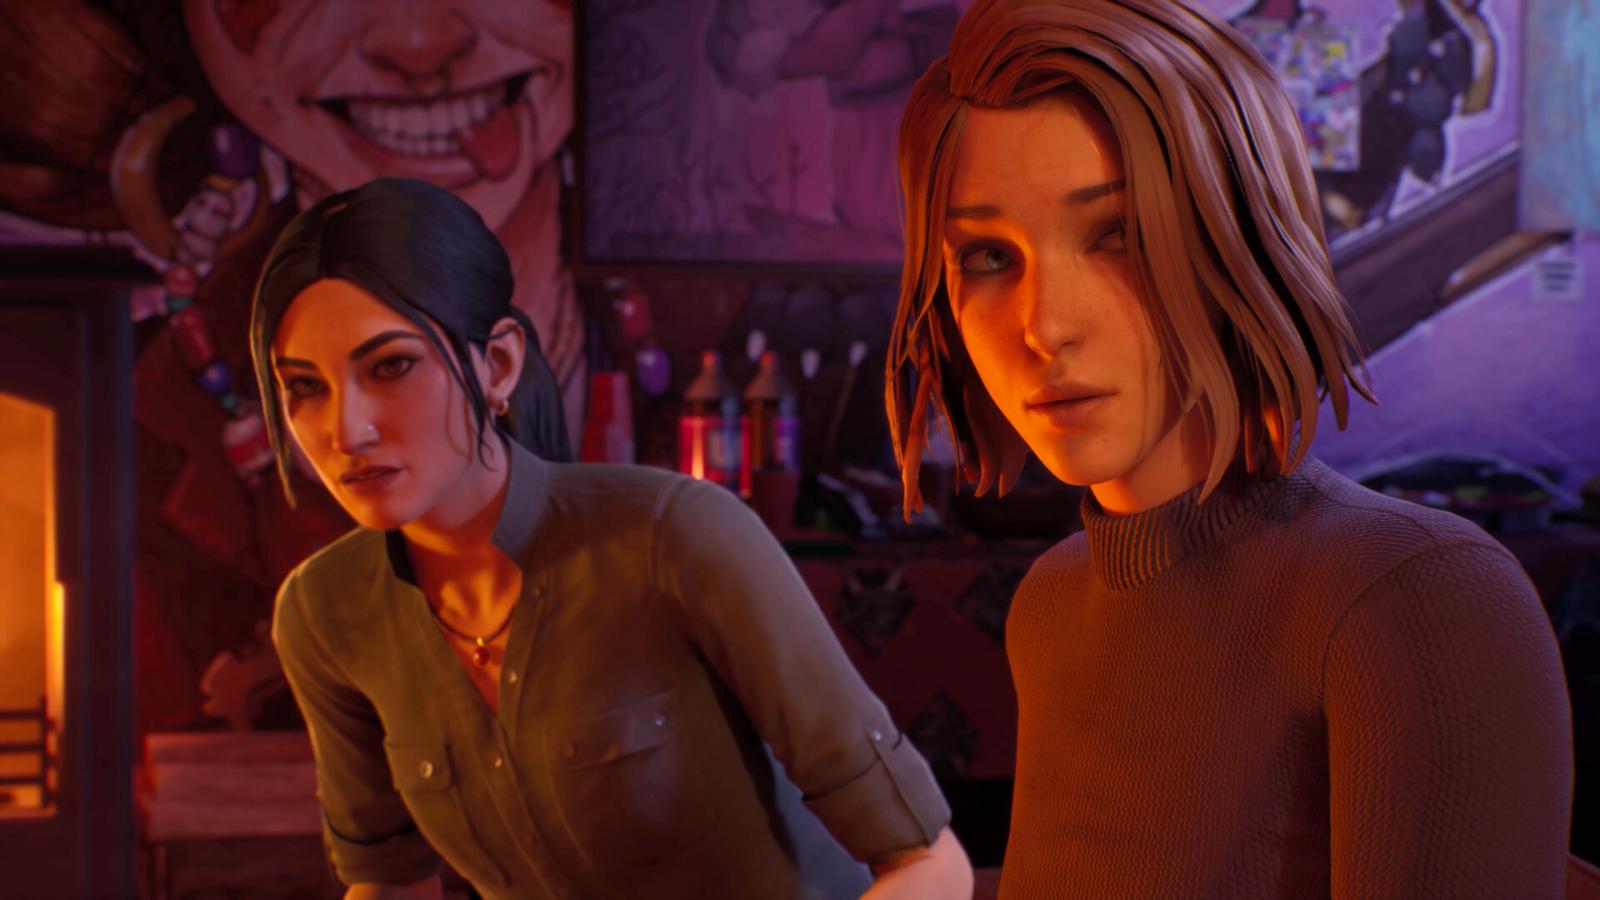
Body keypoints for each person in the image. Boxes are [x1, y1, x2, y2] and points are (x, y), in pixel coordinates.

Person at [885, 1, 1573, 897]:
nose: (1044, 327)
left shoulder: (1415, 598)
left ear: (1239, 238)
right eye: (987, 257)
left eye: (1120, 235)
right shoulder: (1050, 605)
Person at [251, 178, 972, 899]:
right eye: (305, 387)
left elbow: (930, 865)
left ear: (498, 365)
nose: (346, 431)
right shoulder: (325, 612)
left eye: (391, 366)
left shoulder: (675, 536)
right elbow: (387, 884)